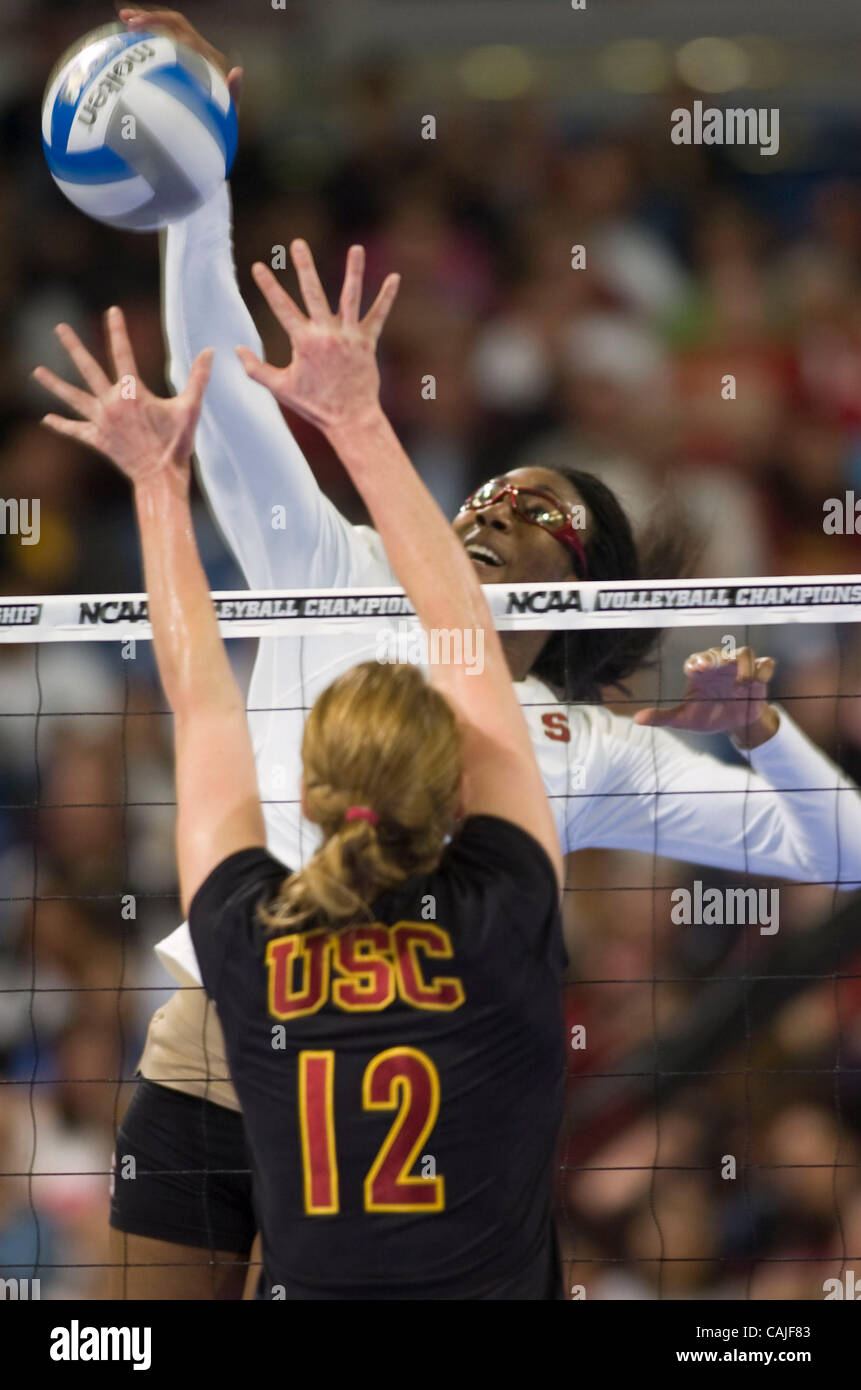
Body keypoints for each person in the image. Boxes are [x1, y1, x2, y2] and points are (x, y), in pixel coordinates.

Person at [47, 7, 861, 1300]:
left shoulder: (577, 742)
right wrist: (195, 190)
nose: (492, 510)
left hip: (409, 1076)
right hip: (223, 1031)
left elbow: (841, 848)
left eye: (538, 510)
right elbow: (215, 379)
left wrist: (766, 732)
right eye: (487, 493)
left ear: (581, 593)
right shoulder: (336, 564)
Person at [34, 248, 568, 1300]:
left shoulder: (247, 938)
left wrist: (154, 483)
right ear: (455, 787)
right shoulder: (508, 902)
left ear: (310, 801)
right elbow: (466, 643)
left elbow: (199, 699)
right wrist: (362, 424)